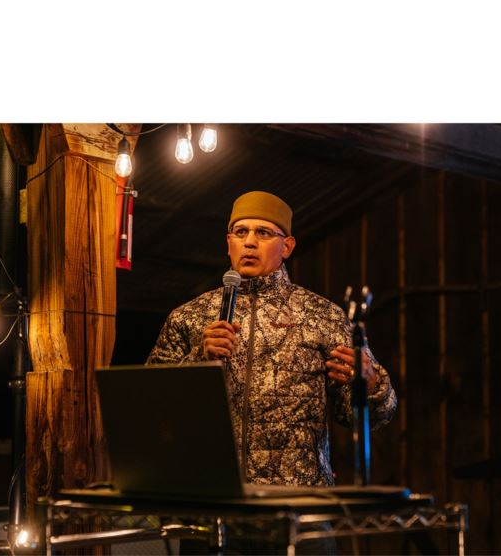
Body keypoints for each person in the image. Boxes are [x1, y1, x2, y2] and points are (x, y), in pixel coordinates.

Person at [147, 191, 398, 488]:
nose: (250, 242)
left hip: (300, 504)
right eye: (240, 232)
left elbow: (366, 418)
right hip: (213, 498)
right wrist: (197, 359)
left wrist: (370, 385)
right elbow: (152, 409)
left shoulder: (323, 316)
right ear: (229, 243)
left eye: (263, 232)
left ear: (287, 246)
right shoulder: (189, 317)